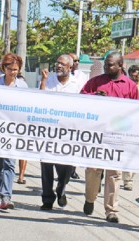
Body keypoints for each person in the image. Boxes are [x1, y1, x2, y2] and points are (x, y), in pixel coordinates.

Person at [80, 51, 139, 223]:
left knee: (114, 174)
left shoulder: (130, 86)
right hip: (97, 134)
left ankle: (111, 210)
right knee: (93, 170)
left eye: (110, 64)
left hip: (117, 136)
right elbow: (81, 98)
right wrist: (94, 97)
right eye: (106, 64)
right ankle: (90, 199)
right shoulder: (96, 82)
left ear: (121, 65)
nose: (106, 67)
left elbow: (136, 110)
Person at [0, 53, 28, 209]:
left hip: (13, 131)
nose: (13, 72)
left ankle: (6, 196)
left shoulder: (22, 86)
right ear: (4, 68)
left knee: (9, 163)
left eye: (16, 69)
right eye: (10, 69)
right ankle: (0, 194)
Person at [39, 54, 79, 210]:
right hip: (49, 130)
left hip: (67, 132)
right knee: (46, 164)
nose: (59, 66)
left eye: (62, 64)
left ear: (70, 67)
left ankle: (61, 189)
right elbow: (40, 100)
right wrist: (43, 81)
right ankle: (47, 199)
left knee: (65, 167)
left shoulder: (76, 85)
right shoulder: (48, 80)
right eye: (57, 63)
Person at [68, 53, 89, 180]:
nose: (76, 63)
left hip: (78, 113)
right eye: (74, 61)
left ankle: (73, 169)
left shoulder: (82, 76)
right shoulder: (60, 76)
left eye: (77, 61)